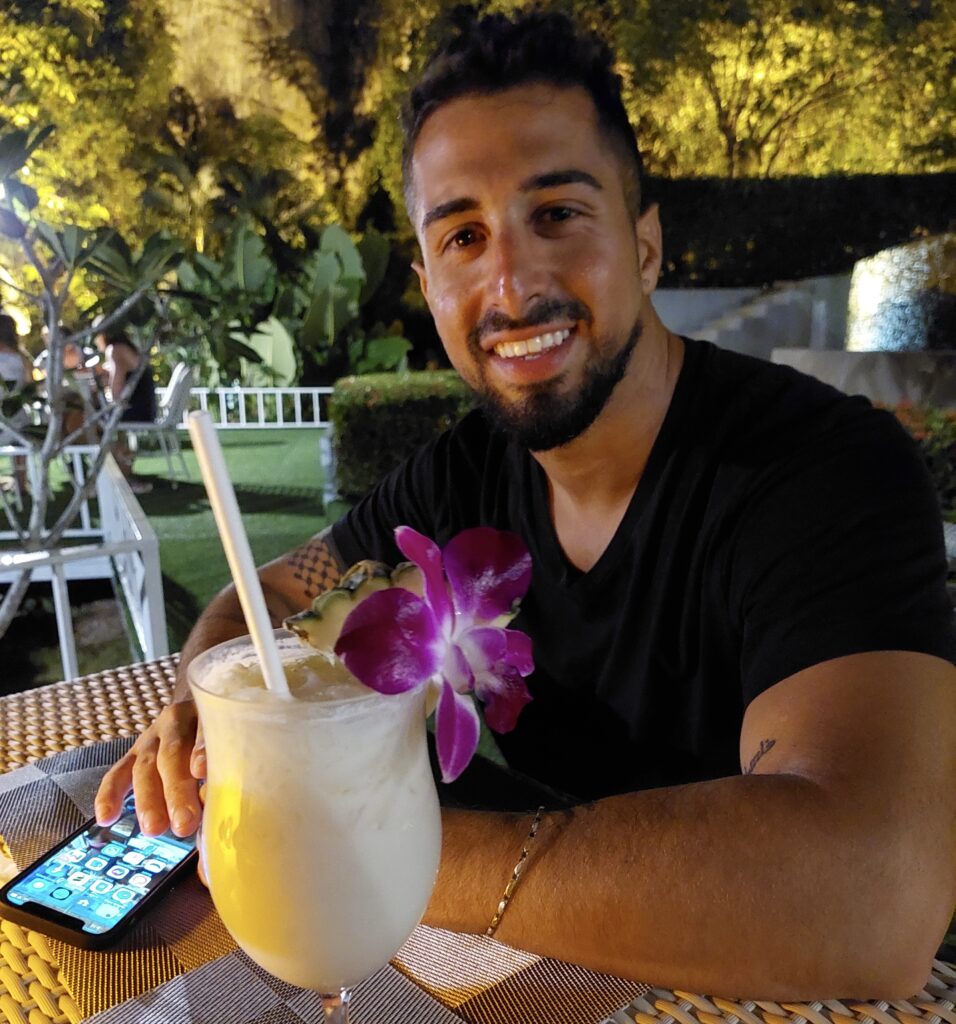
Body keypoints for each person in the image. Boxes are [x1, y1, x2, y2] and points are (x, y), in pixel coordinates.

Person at [95, 10, 956, 1000]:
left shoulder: (819, 473)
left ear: (644, 243)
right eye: (463, 235)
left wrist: (368, 852)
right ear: (427, 284)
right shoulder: (462, 475)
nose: (510, 282)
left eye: (556, 213)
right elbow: (281, 591)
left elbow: (867, 900)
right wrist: (206, 711)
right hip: (575, 976)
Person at [93, 321, 157, 490]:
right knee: (100, 424)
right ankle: (123, 466)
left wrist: (102, 385)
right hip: (146, 409)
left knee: (90, 424)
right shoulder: (128, 348)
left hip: (134, 411)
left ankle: (121, 474)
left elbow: (116, 394)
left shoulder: (115, 350)